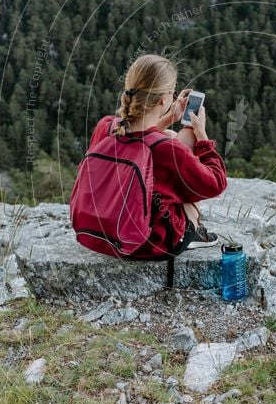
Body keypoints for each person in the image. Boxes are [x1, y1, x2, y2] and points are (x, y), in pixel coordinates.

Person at [87, 54, 227, 260]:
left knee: (170, 134)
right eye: (173, 92)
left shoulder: (106, 126)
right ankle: (194, 230)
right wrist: (202, 137)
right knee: (182, 145)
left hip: (101, 230)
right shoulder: (167, 150)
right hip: (148, 242)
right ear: (164, 99)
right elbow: (216, 183)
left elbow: (137, 138)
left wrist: (169, 118)